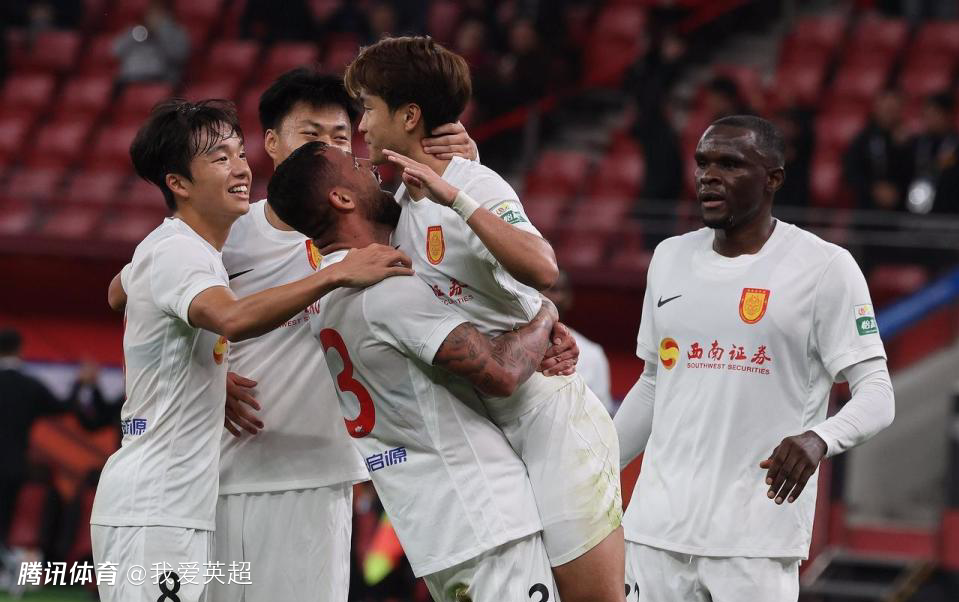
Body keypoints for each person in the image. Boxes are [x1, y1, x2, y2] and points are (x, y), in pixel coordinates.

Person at [106, 67, 482, 602]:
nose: (326, 148)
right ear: (272, 143)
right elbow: (125, 292)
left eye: (340, 138)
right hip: (225, 476)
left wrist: (466, 169)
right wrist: (207, 371)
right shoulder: (226, 230)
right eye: (311, 135)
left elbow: (470, 269)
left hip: (322, 474)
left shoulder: (382, 226)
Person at [345, 36, 625, 602]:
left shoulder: (474, 184)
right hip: (492, 433)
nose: (362, 125)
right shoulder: (402, 207)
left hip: (552, 419)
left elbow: (543, 267)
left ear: (409, 116)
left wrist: (457, 195)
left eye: (368, 108)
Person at [614, 115, 895, 601]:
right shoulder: (669, 258)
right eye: (703, 163)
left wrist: (820, 438)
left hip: (754, 541)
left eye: (730, 164)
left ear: (773, 178)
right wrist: (593, 469)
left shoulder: (825, 267)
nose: (709, 176)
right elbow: (654, 384)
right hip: (654, 531)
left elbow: (878, 395)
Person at [268, 140, 561, 602]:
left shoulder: (320, 300)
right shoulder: (384, 290)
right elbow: (502, 373)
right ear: (341, 198)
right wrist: (544, 314)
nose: (372, 168)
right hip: (483, 515)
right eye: (356, 165)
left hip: (430, 527)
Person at [0, 329, 98, 545]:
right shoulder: (29, 386)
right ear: (19, 350)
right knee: (4, 519)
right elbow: (63, 406)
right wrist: (80, 383)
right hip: (13, 465)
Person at [543, 270, 615, 414]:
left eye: (558, 290)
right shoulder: (515, 345)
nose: (551, 297)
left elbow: (602, 413)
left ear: (569, 298)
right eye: (544, 290)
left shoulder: (593, 354)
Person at [843, 89, 910, 211]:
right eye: (886, 109)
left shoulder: (909, 141)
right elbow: (851, 172)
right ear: (876, 109)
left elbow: (912, 175)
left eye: (893, 110)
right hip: (867, 208)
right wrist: (874, 189)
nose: (889, 114)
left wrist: (900, 149)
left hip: (900, 209)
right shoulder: (863, 139)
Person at [112, 0, 189, 85]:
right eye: (151, 13)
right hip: (130, 79)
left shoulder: (176, 32)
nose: (153, 17)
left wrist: (162, 29)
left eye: (158, 13)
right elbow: (116, 50)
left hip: (160, 80)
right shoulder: (137, 29)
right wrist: (135, 33)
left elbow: (178, 55)